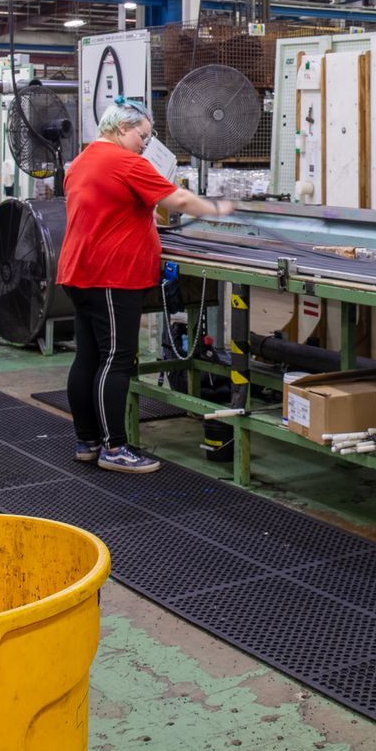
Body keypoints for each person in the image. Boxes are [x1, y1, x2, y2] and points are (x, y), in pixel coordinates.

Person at [58, 98, 234, 473]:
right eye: (143, 135)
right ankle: (114, 448)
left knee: (89, 357)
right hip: (110, 275)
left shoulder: (84, 160)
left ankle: (87, 442)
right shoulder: (125, 161)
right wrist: (220, 210)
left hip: (80, 271)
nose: (145, 144)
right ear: (122, 129)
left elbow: (107, 207)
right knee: (116, 359)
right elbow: (180, 199)